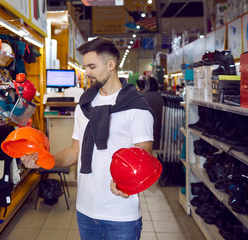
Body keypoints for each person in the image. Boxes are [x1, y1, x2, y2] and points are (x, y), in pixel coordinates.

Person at [21, 37, 155, 240]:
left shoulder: (136, 108)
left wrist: (126, 183)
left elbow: (143, 158)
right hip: (86, 209)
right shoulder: (84, 106)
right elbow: (75, 151)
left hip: (120, 213)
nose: (87, 72)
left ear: (111, 65)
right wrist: (43, 159)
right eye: (86, 67)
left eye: (92, 66)